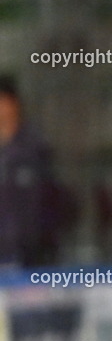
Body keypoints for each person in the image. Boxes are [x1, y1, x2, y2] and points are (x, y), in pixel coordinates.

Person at [0, 76, 60, 267]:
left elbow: (49, 201)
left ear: (13, 104)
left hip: (29, 256)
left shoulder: (34, 148)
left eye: (3, 102)